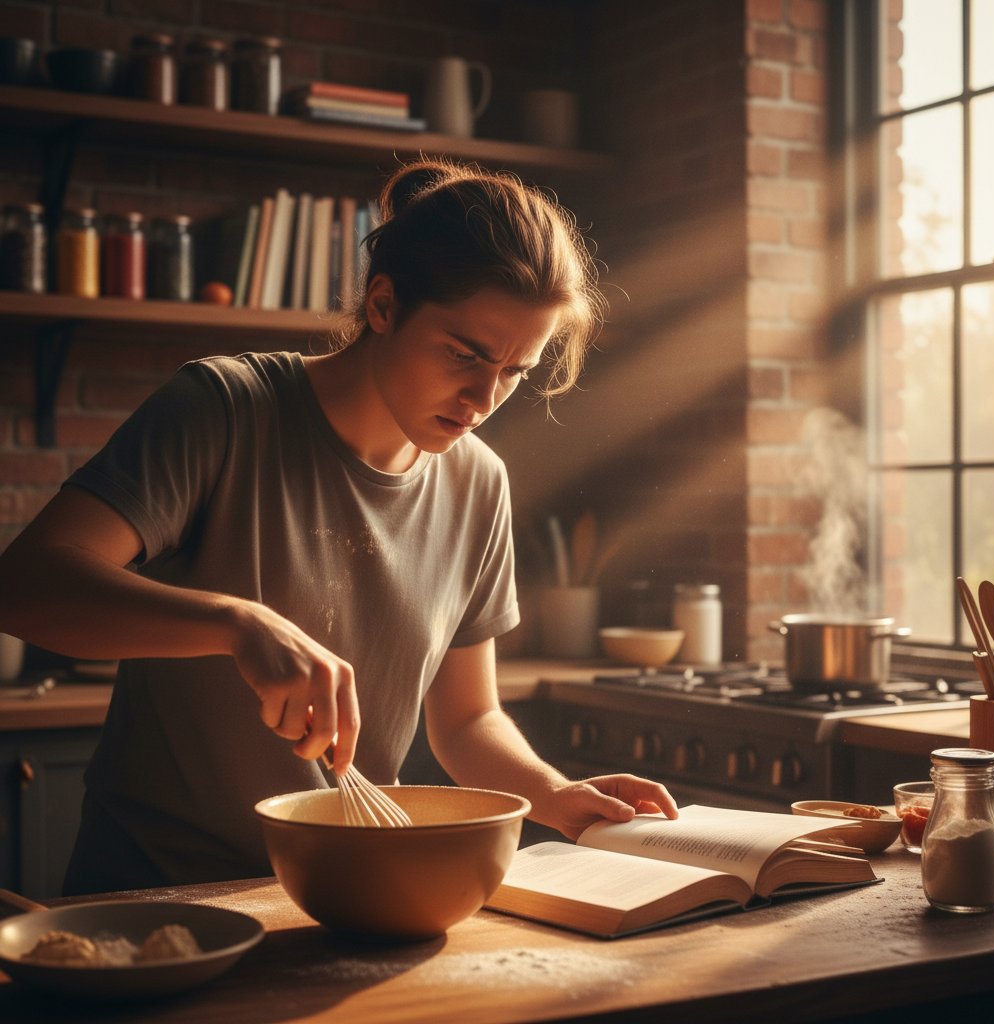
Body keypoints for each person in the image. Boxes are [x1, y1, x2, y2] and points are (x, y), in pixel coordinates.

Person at [0, 158, 677, 895]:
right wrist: (237, 623)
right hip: (155, 898)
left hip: (332, 894)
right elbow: (27, 585)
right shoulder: (223, 409)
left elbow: (468, 718)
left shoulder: (479, 482)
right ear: (383, 306)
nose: (484, 398)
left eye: (516, 371)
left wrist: (552, 794)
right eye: (464, 354)